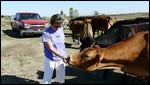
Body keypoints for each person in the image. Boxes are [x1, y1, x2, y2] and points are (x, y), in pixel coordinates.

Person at [41, 14, 67, 84]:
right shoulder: (46, 33)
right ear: (51, 23)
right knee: (47, 77)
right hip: (50, 58)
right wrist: (62, 56)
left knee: (61, 77)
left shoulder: (60, 29)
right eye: (56, 26)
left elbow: (62, 44)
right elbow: (51, 48)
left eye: (60, 26)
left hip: (61, 58)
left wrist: (63, 55)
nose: (58, 28)